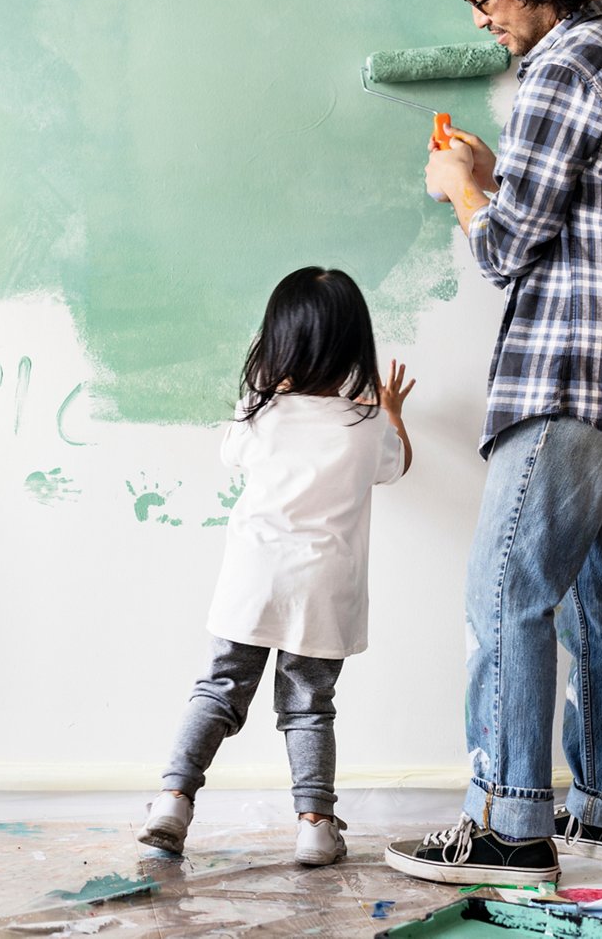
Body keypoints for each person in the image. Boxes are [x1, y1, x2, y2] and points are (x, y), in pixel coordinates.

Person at [385, 0, 602, 886]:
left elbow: (510, 247)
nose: (478, 19)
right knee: (598, 603)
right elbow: (581, 209)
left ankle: (508, 827)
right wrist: (494, 169)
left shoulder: (561, 66)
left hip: (569, 375)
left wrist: (460, 190)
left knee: (505, 593)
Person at [138, 267, 415, 866]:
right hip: (324, 588)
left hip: (253, 581)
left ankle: (172, 801)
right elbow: (397, 467)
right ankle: (315, 826)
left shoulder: (258, 413)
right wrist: (391, 411)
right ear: (353, 345)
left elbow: (231, 453)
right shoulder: (365, 424)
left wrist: (274, 392)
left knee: (219, 690)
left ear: (278, 342)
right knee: (309, 705)